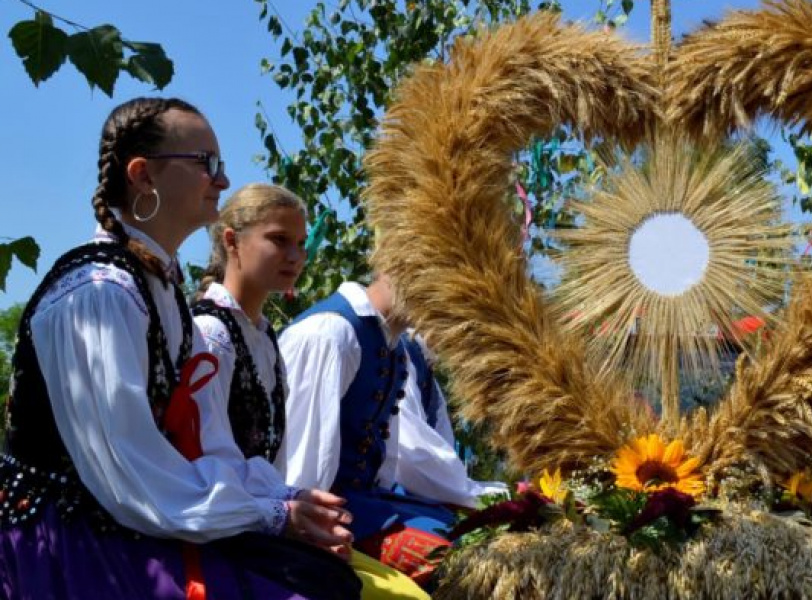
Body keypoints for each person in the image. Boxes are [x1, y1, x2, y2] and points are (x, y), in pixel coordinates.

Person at [0, 97, 358, 599]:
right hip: (67, 543)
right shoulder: (97, 292)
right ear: (143, 175)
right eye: (206, 164)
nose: (223, 181)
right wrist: (272, 513)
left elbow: (208, 447)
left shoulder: (158, 289)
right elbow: (133, 473)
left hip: (137, 522)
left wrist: (284, 499)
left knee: (325, 576)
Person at [191, 184, 430, 600]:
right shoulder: (212, 335)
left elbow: (274, 463)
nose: (296, 256)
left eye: (300, 244)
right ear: (232, 240)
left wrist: (299, 509)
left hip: (265, 521)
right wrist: (288, 516)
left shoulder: (263, 338)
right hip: (222, 531)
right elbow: (205, 462)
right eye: (279, 241)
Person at [278, 276, 507, 584]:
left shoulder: (394, 347)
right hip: (326, 518)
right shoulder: (331, 334)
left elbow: (386, 463)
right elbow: (299, 474)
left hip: (370, 506)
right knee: (461, 565)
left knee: (488, 540)